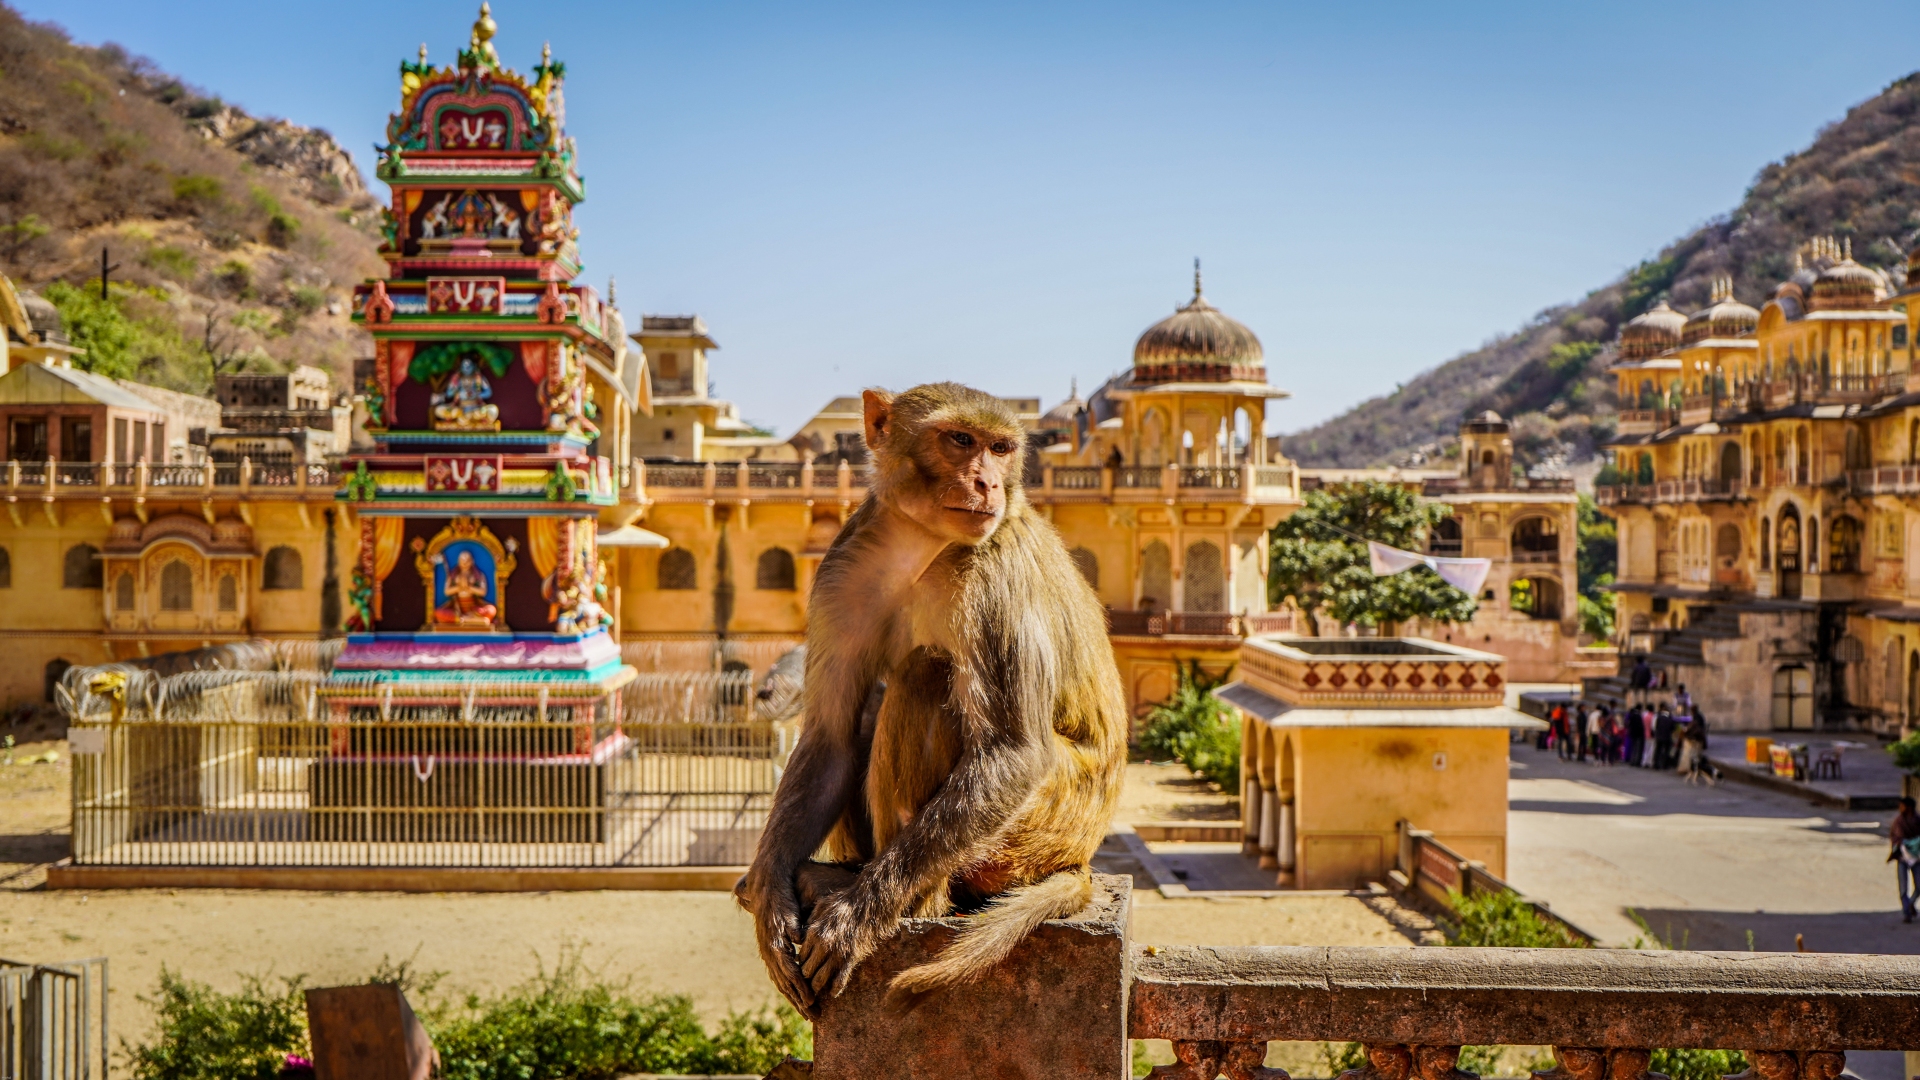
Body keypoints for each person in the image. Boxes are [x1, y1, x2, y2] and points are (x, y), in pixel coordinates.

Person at [1890, 797, 1920, 923]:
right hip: (1902, 857)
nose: (1900, 808)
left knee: (1919, 885)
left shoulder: (1918, 821)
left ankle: (1911, 903)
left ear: (1909, 807)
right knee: (1903, 888)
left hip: (1916, 857)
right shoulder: (1898, 821)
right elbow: (1894, 836)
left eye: (1902, 806)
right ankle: (1906, 913)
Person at [1652, 705, 1676, 771]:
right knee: (1666, 751)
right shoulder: (1670, 718)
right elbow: (1673, 728)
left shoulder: (1659, 717)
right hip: (1667, 737)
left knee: (1658, 751)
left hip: (1659, 736)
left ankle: (1655, 764)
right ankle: (1664, 765)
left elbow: (1655, 727)